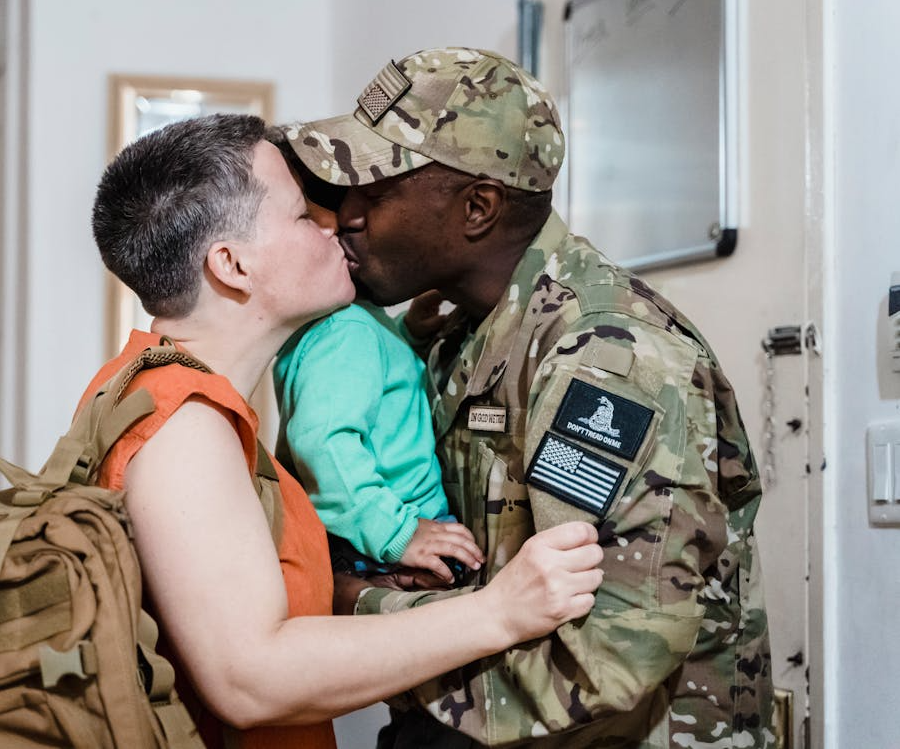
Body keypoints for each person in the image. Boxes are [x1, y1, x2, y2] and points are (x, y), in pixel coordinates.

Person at [282, 48, 775, 747]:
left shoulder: (608, 358)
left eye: (373, 190)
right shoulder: (449, 330)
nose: (345, 216)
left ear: (476, 207)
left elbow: (603, 661)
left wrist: (349, 604)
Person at [80, 113, 604, 749]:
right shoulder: (183, 429)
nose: (336, 227)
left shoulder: (156, 390)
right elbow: (250, 680)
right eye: (304, 215)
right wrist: (500, 611)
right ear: (232, 264)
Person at [272, 260, 483, 583]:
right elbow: (323, 447)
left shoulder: (357, 326)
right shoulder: (347, 331)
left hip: (383, 532)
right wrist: (397, 533)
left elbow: (374, 383)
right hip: (378, 541)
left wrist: (408, 332)